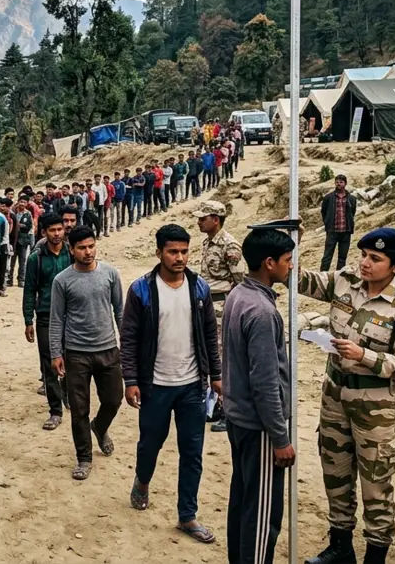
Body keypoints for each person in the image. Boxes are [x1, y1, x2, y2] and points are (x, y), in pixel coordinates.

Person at [300, 228, 395, 564]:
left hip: (377, 407)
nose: (365, 264)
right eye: (364, 255)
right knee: (335, 474)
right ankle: (341, 546)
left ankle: (375, 555)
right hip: (335, 395)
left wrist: (364, 355)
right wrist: (291, 244)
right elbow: (300, 280)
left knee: (375, 488)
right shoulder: (345, 281)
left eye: (376, 259)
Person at [121, 225, 221, 545]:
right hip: (155, 386)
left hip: (192, 385)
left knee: (192, 452)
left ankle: (187, 515)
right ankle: (143, 480)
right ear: (159, 252)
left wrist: (216, 376)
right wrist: (131, 380)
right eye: (172, 252)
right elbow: (129, 338)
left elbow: (210, 336)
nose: (179, 258)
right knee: (150, 444)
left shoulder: (199, 288)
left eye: (184, 252)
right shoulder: (142, 290)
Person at [223, 228, 296, 564]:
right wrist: (280, 437)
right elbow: (265, 381)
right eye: (287, 260)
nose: (291, 266)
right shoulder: (263, 312)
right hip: (260, 427)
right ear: (269, 263)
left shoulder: (239, 294)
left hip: (239, 419)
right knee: (264, 514)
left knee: (243, 501)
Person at [49, 227, 125, 481]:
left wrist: (127, 344)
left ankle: (100, 427)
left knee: (114, 399)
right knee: (79, 409)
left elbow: (120, 312)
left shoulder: (110, 274)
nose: (88, 252)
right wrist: (56, 353)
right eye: (81, 248)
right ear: (72, 250)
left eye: (91, 246)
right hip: (77, 353)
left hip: (108, 349)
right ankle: (84, 458)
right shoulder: (62, 280)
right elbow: (56, 319)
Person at [193, 200, 246, 434]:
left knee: (223, 358)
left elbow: (240, 282)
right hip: (207, 306)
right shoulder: (208, 243)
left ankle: (228, 411)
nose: (198, 222)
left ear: (216, 219)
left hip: (222, 308)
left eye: (203, 218)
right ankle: (214, 405)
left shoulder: (230, 246)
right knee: (209, 355)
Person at [24, 212, 74, 430]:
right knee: (50, 362)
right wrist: (28, 319)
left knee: (72, 359)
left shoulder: (72, 254)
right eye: (52, 230)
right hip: (45, 316)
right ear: (43, 232)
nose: (57, 234)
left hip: (71, 315)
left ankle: (68, 393)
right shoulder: (36, 258)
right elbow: (29, 291)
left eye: (59, 229)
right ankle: (55, 411)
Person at [319, 175, 357, 271]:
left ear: (345, 183)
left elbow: (352, 212)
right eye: (337, 182)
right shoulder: (328, 197)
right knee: (327, 256)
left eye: (341, 182)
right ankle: (322, 276)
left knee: (342, 258)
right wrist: (327, 223)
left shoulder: (352, 199)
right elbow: (324, 211)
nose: (338, 184)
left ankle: (339, 278)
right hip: (332, 231)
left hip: (345, 231)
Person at [13, 198, 34, 286]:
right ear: (18, 202)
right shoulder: (13, 212)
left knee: (22, 260)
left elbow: (29, 226)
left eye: (24, 202)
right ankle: (9, 279)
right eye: (21, 202)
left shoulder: (28, 214)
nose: (22, 204)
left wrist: (20, 226)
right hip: (13, 240)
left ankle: (21, 279)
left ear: (27, 204)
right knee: (12, 260)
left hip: (23, 239)